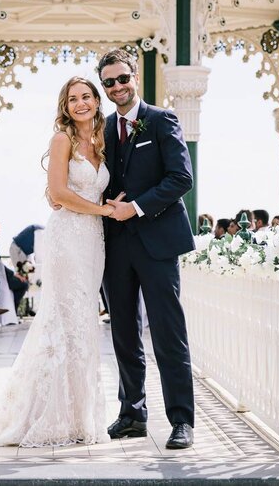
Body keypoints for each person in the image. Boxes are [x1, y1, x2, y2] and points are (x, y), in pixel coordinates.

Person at [0, 76, 114, 447]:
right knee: (63, 320)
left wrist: (108, 205)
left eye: (86, 96)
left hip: (94, 240)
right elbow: (58, 192)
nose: (80, 103)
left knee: (84, 323)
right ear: (65, 106)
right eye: (72, 98)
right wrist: (102, 209)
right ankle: (48, 414)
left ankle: (81, 415)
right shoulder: (62, 140)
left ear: (96, 100)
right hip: (67, 237)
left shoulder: (103, 142)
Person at [99, 49, 196, 450]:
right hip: (113, 247)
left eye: (123, 78)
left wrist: (134, 208)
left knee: (168, 333)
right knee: (123, 333)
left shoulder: (161, 120)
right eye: (109, 82)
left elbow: (181, 178)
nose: (117, 87)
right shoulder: (100, 129)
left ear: (135, 76)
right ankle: (132, 414)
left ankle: (181, 421)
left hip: (157, 243)